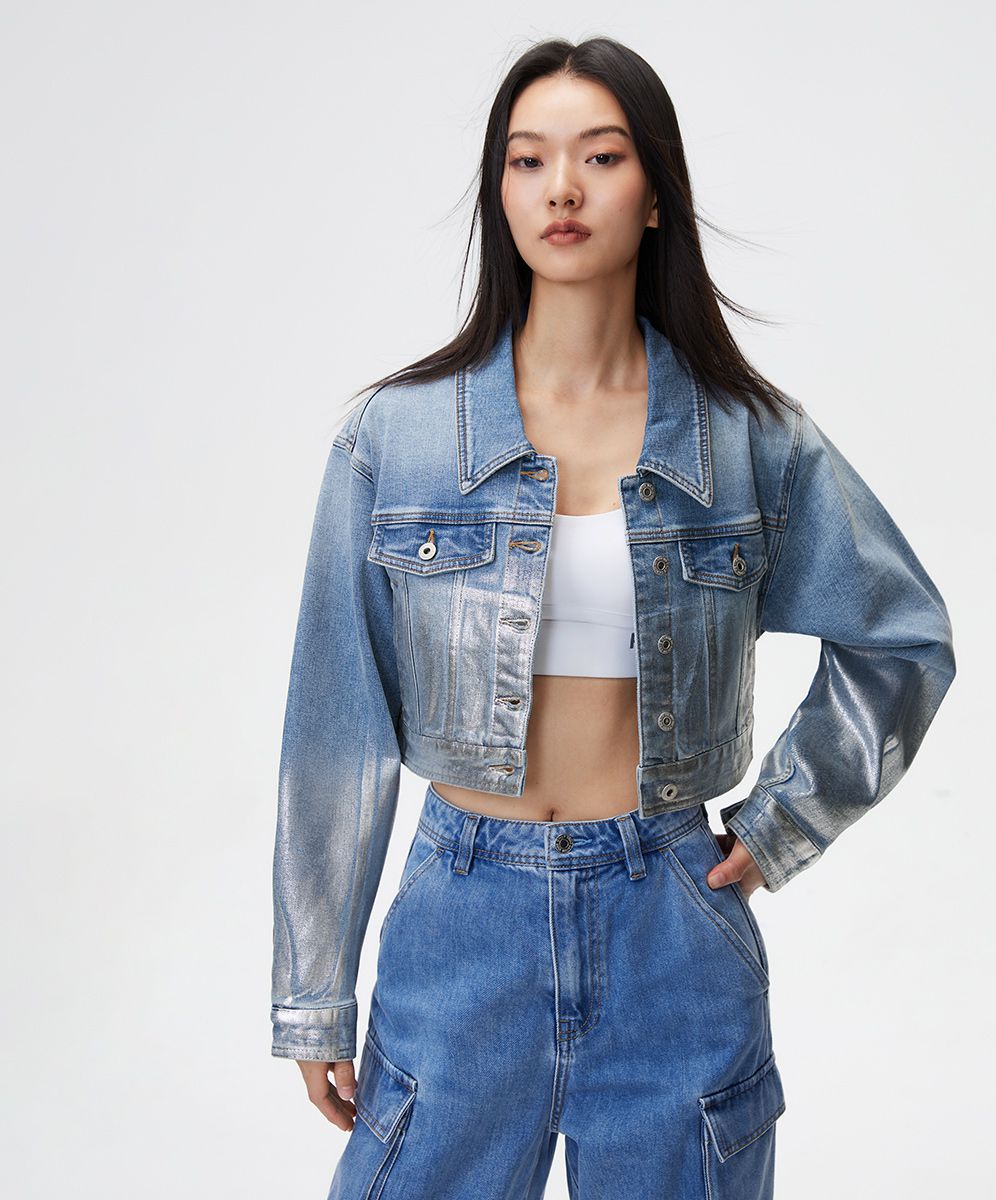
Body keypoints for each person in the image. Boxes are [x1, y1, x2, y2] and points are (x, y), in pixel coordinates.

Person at [271, 35, 956, 1200]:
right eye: (527, 160)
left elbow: (900, 637)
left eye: (599, 156)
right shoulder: (396, 438)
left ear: (654, 196)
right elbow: (336, 729)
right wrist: (314, 990)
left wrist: (782, 822)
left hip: (669, 926)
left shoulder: (748, 439)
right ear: (499, 194)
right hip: (462, 923)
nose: (562, 189)